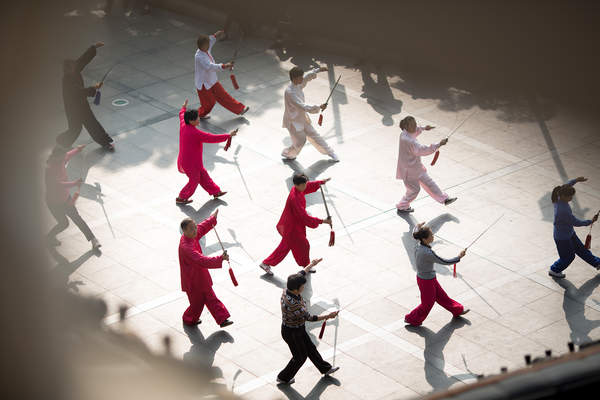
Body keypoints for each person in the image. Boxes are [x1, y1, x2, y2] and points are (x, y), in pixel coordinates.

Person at [277, 258, 339, 385]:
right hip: (292, 332)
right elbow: (310, 317)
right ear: (296, 289)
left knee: (310, 348)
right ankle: (283, 377)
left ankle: (325, 369)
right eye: (302, 286)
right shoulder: (294, 304)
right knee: (300, 357)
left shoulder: (287, 288)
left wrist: (312, 264)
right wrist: (328, 316)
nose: (304, 287)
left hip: (296, 329)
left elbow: (301, 274)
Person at [259, 174, 332, 275]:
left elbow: (308, 186)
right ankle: (306, 265)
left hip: (293, 224)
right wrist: (322, 221)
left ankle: (266, 263)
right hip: (292, 227)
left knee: (285, 246)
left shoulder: (297, 189)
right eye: (304, 184)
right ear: (299, 185)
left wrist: (320, 182)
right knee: (304, 245)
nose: (306, 186)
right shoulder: (295, 199)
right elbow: (304, 217)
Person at [404, 223, 468, 326]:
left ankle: (457, 310)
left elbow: (415, 234)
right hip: (426, 281)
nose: (433, 237)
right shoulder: (427, 253)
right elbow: (443, 261)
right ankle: (412, 318)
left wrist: (417, 226)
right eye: (431, 235)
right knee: (427, 304)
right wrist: (459, 257)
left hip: (428, 278)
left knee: (442, 297)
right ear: (424, 239)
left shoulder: (417, 244)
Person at [176, 99, 237, 204]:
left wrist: (183, 107)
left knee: (203, 175)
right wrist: (228, 135)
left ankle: (215, 191)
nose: (199, 120)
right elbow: (211, 138)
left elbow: (181, 114)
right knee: (194, 180)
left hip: (191, 161)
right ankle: (181, 197)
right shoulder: (195, 133)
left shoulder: (183, 124)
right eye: (197, 119)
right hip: (190, 163)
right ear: (191, 121)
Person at [179, 210, 233, 328]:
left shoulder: (191, 236)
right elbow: (201, 260)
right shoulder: (186, 247)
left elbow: (202, 227)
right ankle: (188, 318)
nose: (195, 230)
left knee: (211, 297)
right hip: (192, 280)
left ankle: (222, 318)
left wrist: (212, 219)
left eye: (194, 227)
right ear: (185, 231)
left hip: (200, 276)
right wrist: (220, 258)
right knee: (196, 304)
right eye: (192, 229)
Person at [57, 42, 115, 151]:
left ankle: (105, 141)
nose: (76, 66)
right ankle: (62, 141)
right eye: (73, 66)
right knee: (78, 127)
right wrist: (94, 88)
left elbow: (83, 60)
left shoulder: (74, 70)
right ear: (69, 69)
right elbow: (78, 92)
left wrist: (93, 48)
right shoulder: (68, 80)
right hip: (74, 107)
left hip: (79, 105)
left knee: (87, 124)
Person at [45, 144, 101, 250]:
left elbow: (68, 155)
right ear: (56, 157)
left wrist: (78, 149)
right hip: (54, 203)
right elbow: (59, 185)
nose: (64, 159)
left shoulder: (61, 159)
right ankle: (49, 237)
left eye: (63, 157)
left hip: (66, 199)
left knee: (77, 219)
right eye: (61, 158)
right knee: (64, 223)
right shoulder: (50, 170)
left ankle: (93, 240)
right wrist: (74, 183)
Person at [396, 116, 455, 213]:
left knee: (430, 183)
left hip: (416, 168)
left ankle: (444, 199)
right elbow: (423, 150)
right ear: (406, 126)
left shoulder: (404, 134)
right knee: (414, 191)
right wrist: (439, 144)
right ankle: (402, 206)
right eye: (413, 125)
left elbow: (414, 131)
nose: (415, 126)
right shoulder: (409, 141)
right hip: (408, 172)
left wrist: (423, 128)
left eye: (415, 124)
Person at [281, 66, 339, 161]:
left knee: (315, 135)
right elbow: (303, 106)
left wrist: (318, 70)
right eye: (301, 77)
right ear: (295, 78)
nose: (302, 79)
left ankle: (331, 152)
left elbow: (307, 77)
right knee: (300, 141)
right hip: (293, 122)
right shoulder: (290, 92)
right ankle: (288, 153)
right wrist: (319, 107)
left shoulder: (297, 85)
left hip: (302, 118)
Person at [548, 177, 600, 278]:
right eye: (570, 197)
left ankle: (597, 263)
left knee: (582, 250)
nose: (571, 198)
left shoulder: (558, 196)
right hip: (562, 238)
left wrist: (576, 180)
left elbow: (567, 185)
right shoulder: (563, 210)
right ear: (563, 196)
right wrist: (590, 221)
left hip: (568, 233)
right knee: (568, 257)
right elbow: (576, 222)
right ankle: (554, 270)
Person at [195, 30, 249, 119]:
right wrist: (224, 65)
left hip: (212, 80)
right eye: (207, 44)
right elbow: (210, 66)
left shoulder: (205, 48)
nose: (209, 45)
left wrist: (216, 35)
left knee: (224, 96)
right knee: (210, 103)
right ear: (203, 45)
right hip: (203, 84)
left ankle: (240, 109)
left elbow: (210, 41)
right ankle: (199, 114)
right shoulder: (199, 57)